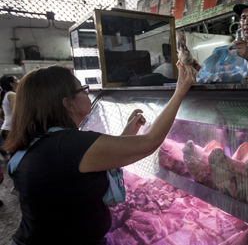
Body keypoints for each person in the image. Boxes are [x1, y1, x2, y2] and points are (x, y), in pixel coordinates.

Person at [4, 64, 193, 245]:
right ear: (68, 104)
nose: (88, 94)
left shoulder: (45, 141)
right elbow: (149, 143)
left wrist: (126, 135)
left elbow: (79, 165)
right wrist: (180, 92)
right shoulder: (69, 145)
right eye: (83, 90)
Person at [1, 75, 19, 143]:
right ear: (11, 84)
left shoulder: (6, 94)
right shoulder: (12, 94)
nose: (18, 81)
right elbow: (17, 111)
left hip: (7, 129)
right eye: (16, 80)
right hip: (11, 130)